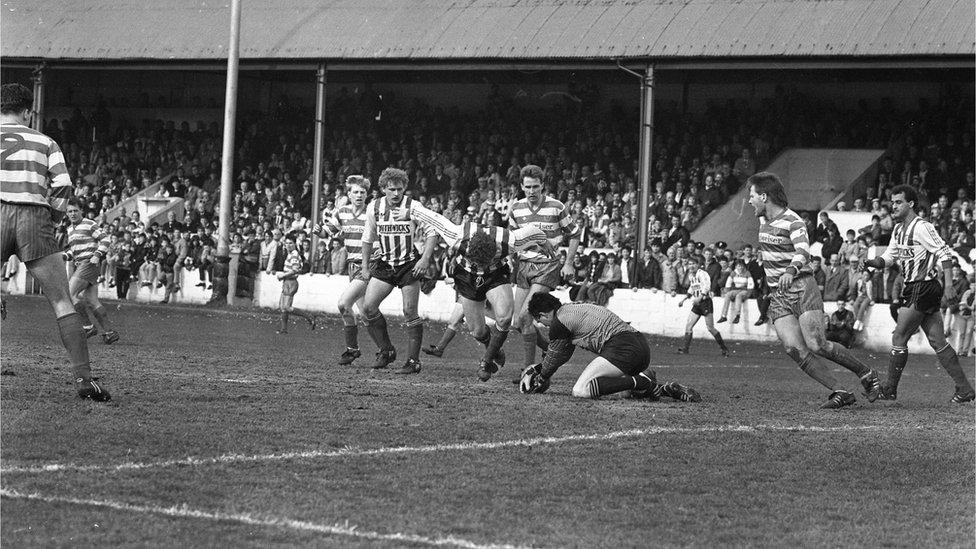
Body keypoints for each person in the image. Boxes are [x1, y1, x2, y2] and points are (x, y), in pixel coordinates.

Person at [0, 83, 109, 401]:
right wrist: (54, 220)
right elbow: (63, 186)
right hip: (34, 217)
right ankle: (84, 382)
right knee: (62, 300)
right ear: (27, 111)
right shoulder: (46, 141)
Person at [747, 172, 880, 409]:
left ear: (764, 196)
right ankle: (840, 391)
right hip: (779, 294)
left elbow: (802, 251)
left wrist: (790, 270)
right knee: (793, 348)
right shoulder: (763, 220)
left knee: (818, 344)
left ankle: (866, 373)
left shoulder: (793, 222)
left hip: (801, 286)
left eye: (752, 196)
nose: (749, 201)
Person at [398, 198, 553, 381]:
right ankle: (494, 348)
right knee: (478, 332)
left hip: (495, 275)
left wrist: (544, 242)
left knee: (504, 318)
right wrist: (409, 212)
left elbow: (535, 231)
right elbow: (434, 217)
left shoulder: (510, 240)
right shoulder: (456, 234)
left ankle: (486, 361)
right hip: (467, 277)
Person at [860, 185, 975, 402]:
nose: (893, 206)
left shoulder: (922, 227)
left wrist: (949, 285)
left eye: (898, 202)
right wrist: (870, 262)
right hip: (918, 288)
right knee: (937, 341)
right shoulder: (897, 230)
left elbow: (945, 253)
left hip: (923, 286)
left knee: (899, 335)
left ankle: (890, 389)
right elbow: (888, 258)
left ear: (910, 204)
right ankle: (964, 389)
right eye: (892, 202)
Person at [519, 293, 701, 402]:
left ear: (543, 315)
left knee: (581, 390)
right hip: (639, 346)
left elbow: (556, 357)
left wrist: (540, 376)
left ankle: (644, 382)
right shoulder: (573, 307)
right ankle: (662, 388)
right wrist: (543, 371)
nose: (543, 325)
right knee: (621, 391)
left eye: (540, 321)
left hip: (623, 348)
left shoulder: (560, 322)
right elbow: (562, 353)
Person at [359, 168, 438, 374]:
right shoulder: (374, 207)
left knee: (409, 311)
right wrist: (365, 266)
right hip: (385, 264)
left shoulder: (414, 206)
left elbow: (431, 233)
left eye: (400, 189)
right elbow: (368, 238)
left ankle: (413, 362)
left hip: (409, 264)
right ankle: (386, 350)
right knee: (368, 308)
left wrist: (425, 259)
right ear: (383, 189)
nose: (396, 194)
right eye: (391, 189)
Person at [507, 164, 581, 374]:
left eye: (536, 187)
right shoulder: (516, 208)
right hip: (524, 266)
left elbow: (574, 233)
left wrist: (568, 263)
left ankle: (528, 369)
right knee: (518, 323)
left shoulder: (556, 206)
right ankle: (550, 349)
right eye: (528, 187)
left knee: (524, 316)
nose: (532, 191)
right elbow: (512, 238)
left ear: (543, 186)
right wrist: (511, 258)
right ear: (521, 186)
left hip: (548, 266)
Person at [314, 175, 371, 365]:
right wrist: (318, 231)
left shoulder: (372, 213)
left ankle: (352, 349)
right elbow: (327, 232)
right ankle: (385, 350)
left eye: (362, 192)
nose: (359, 195)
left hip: (368, 267)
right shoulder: (342, 212)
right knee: (366, 314)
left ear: (367, 194)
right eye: (355, 192)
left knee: (344, 304)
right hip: (352, 266)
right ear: (349, 194)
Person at [64, 199, 119, 344]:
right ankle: (109, 332)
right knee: (92, 301)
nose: (73, 213)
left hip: (88, 263)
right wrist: (65, 255)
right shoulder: (70, 229)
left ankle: (88, 327)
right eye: (70, 211)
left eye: (75, 210)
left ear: (81, 210)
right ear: (66, 213)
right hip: (82, 264)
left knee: (71, 294)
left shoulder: (89, 223)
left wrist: (97, 255)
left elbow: (106, 240)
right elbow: (75, 250)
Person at [676, 255, 729, 356]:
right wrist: (684, 299)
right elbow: (692, 288)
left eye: (693, 264)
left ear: (698, 265)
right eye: (689, 264)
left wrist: (699, 298)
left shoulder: (702, 274)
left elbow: (706, 287)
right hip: (697, 303)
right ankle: (685, 349)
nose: (691, 266)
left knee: (710, 328)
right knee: (689, 325)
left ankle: (724, 348)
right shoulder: (691, 275)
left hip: (705, 303)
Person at [274, 232, 317, 334]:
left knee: (287, 307)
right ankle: (284, 329)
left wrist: (282, 276)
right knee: (282, 307)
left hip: (291, 282)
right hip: (287, 282)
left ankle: (309, 317)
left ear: (295, 244)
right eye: (287, 243)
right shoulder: (290, 254)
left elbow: (295, 270)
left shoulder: (294, 254)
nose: (288, 245)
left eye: (290, 243)